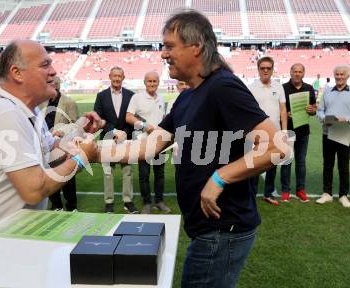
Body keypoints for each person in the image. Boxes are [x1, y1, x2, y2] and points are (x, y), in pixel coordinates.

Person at [93, 10, 288, 287]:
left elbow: (276, 145)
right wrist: (92, 151)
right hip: (207, 228)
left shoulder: (223, 86)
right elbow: (148, 147)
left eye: (170, 46)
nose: (163, 54)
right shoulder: (187, 97)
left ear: (196, 47)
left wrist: (220, 177)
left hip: (223, 228)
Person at [0, 40, 99, 266]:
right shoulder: (5, 113)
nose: (54, 71)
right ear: (17, 73)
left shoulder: (28, 110)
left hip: (6, 250)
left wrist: (77, 131)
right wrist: (82, 158)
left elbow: (50, 154)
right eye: (45, 64)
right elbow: (34, 189)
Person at [93, 66, 137, 214]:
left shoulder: (131, 95)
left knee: (127, 171)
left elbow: (132, 118)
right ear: (110, 77)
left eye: (120, 76)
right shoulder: (101, 96)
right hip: (107, 139)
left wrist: (124, 132)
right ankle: (109, 202)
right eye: (114, 76)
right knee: (108, 172)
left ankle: (128, 201)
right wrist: (113, 131)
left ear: (123, 78)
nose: (117, 78)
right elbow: (98, 120)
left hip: (126, 139)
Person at [126, 71, 170, 214]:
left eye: (154, 81)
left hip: (159, 142)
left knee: (160, 173)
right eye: (149, 81)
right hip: (143, 141)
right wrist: (145, 126)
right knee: (144, 173)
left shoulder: (161, 98)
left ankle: (159, 201)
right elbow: (128, 117)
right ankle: (146, 203)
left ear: (158, 82)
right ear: (145, 82)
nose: (152, 84)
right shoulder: (136, 97)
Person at [248, 56, 288, 206]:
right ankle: (251, 194)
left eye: (268, 68)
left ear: (272, 70)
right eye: (262, 68)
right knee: (254, 165)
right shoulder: (251, 87)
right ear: (258, 69)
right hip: (257, 133)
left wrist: (284, 131)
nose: (265, 70)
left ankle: (269, 193)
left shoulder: (278, 86)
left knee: (272, 164)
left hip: (276, 132)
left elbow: (283, 110)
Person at [280, 63, 316, 202]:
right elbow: (279, 108)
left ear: (303, 73)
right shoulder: (283, 88)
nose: (297, 73)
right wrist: (285, 113)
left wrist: (313, 110)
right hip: (287, 129)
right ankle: (285, 190)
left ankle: (300, 189)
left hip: (303, 130)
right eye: (295, 71)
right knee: (286, 161)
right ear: (290, 72)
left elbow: (313, 108)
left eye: (300, 71)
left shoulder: (309, 88)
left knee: (301, 162)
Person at [316, 65, 350, 208]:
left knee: (344, 166)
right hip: (328, 133)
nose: (339, 76)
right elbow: (320, 110)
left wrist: (347, 119)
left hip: (345, 133)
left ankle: (343, 195)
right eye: (337, 74)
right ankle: (327, 193)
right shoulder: (328, 91)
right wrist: (324, 118)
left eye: (342, 74)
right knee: (328, 165)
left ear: (347, 76)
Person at [46, 76, 79, 212]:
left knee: (67, 176)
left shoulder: (68, 102)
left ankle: (71, 206)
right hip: (47, 145)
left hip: (64, 145)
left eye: (51, 84)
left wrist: (62, 131)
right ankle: (56, 205)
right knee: (50, 174)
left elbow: (75, 125)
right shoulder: (42, 102)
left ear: (57, 86)